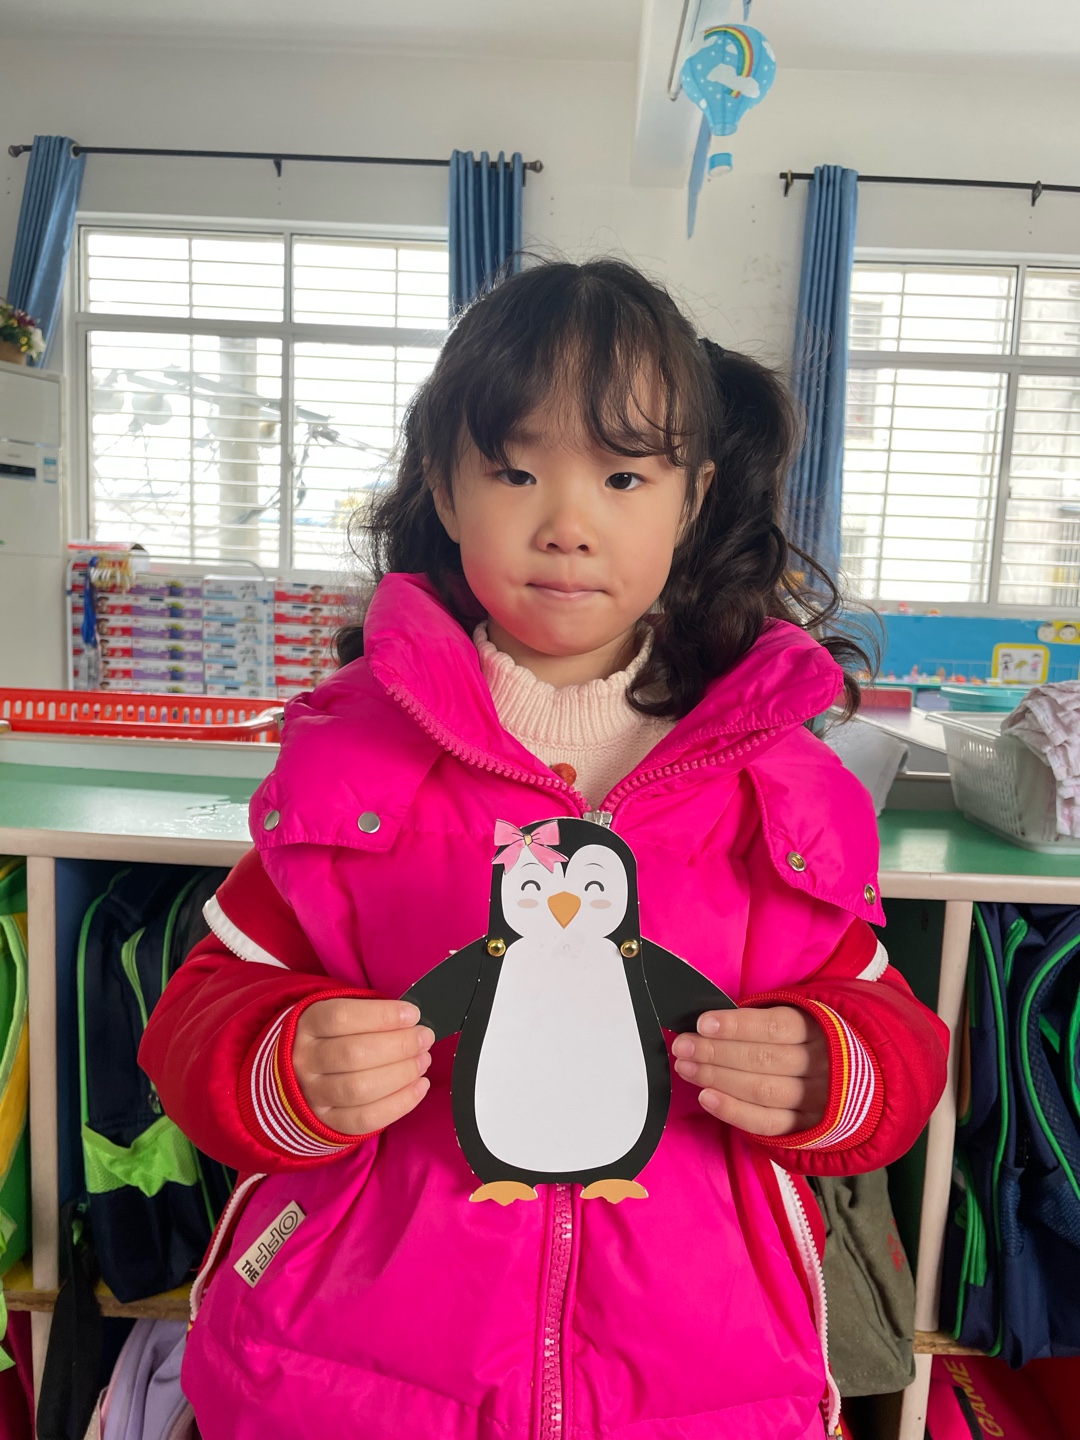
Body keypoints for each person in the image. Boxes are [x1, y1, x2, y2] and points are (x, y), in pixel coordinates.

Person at [140, 259, 948, 1440]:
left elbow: (892, 1032)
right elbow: (198, 1018)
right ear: (444, 484)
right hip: (354, 1375)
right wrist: (282, 1061)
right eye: (515, 471)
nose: (567, 525)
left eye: (624, 476)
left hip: (697, 1382)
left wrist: (832, 1072)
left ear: (692, 497)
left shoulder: (775, 785)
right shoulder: (353, 768)